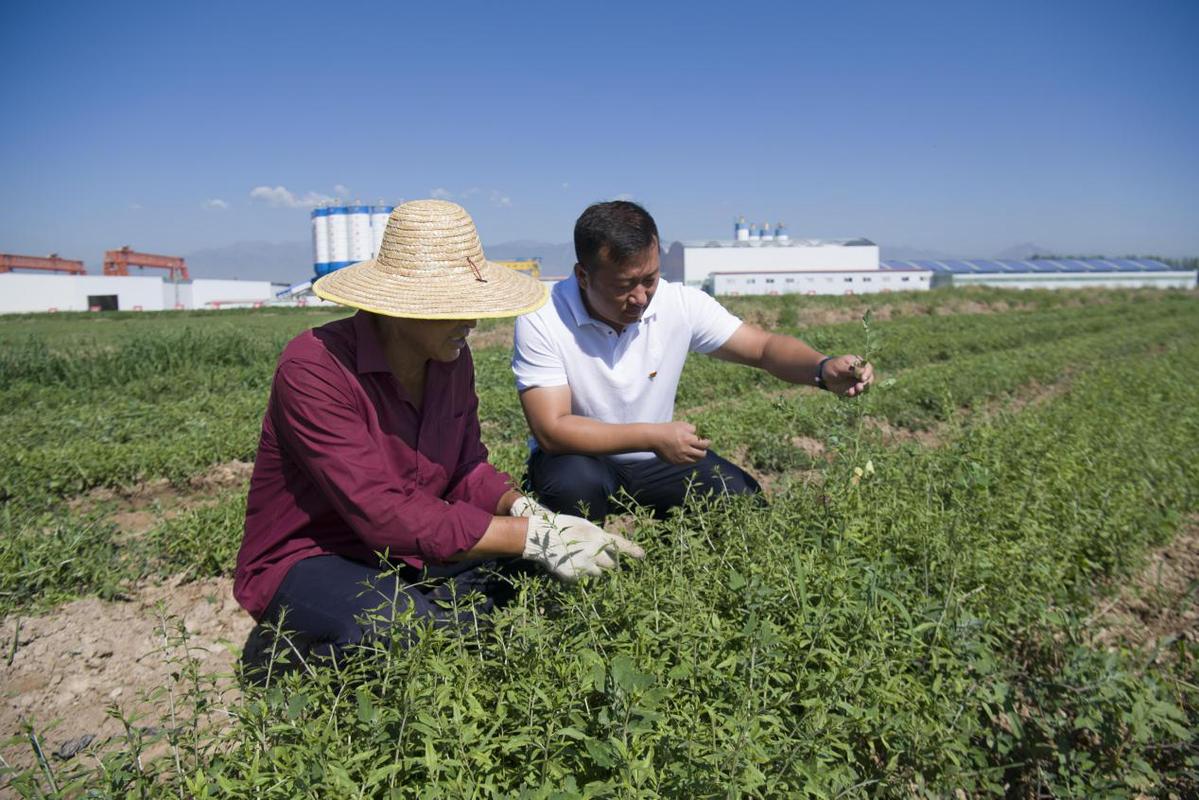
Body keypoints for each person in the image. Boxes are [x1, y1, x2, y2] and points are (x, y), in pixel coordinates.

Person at [234, 199, 643, 678]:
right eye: (455, 307)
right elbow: (385, 515)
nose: (470, 323)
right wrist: (533, 537)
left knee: (532, 586)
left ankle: (420, 613)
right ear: (397, 305)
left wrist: (523, 510)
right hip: (313, 554)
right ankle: (283, 656)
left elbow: (466, 468)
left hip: (407, 548)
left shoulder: (450, 359)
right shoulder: (315, 368)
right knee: (402, 629)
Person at [512, 200, 874, 521]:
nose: (640, 298)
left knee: (742, 502)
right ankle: (566, 583)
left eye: (649, 279)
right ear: (583, 276)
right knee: (573, 486)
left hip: (656, 460)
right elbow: (552, 430)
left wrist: (821, 368)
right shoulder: (543, 316)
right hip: (580, 460)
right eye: (624, 285)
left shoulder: (678, 303)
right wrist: (652, 436)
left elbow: (763, 348)